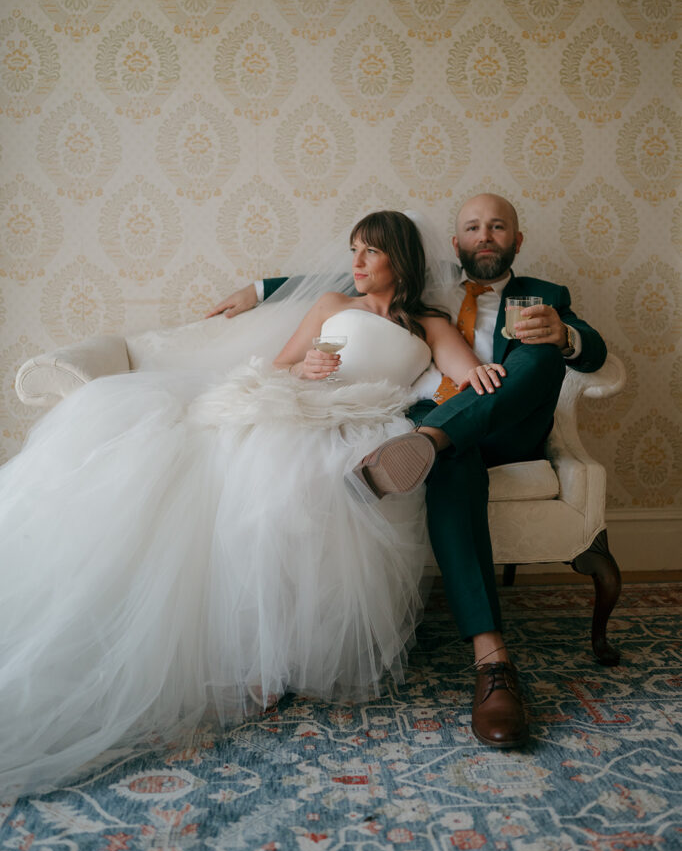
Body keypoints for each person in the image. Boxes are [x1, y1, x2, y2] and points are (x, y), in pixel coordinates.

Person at [0, 211, 501, 797]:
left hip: (369, 429)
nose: (357, 263)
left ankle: (291, 656)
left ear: (400, 259)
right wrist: (309, 365)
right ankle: (259, 660)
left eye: (370, 252)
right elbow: (281, 366)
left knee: (325, 490)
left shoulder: (431, 323)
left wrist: (490, 370)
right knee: (264, 488)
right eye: (353, 250)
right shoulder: (333, 303)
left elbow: (469, 376)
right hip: (305, 408)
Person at [207, 193, 608, 749]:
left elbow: (590, 355)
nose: (484, 236)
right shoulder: (383, 292)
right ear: (453, 245)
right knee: (443, 458)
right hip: (444, 436)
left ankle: (430, 439)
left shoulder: (542, 298)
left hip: (502, 421)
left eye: (497, 228)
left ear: (517, 240)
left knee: (539, 352)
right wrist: (258, 292)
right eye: (472, 227)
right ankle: (493, 662)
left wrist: (560, 337)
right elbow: (325, 285)